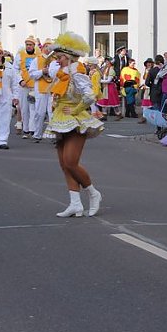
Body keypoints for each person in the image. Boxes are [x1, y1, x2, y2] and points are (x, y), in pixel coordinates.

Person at [44, 32, 104, 217]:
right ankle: (75, 203)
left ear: (68, 57)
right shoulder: (62, 73)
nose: (57, 60)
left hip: (75, 119)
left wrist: (77, 110)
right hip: (60, 117)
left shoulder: (77, 72)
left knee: (71, 162)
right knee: (63, 163)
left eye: (60, 57)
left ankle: (93, 193)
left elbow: (89, 95)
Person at [0, 40, 20, 149]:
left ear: (3, 54)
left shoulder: (9, 67)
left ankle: (2, 140)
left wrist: (16, 97)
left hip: (6, 95)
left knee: (5, 118)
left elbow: (15, 83)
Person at [29, 40, 57, 141]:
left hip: (53, 89)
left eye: (50, 47)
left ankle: (53, 135)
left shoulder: (55, 60)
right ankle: (37, 134)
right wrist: (42, 71)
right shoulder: (37, 59)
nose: (48, 49)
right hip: (40, 89)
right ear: (43, 47)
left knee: (52, 113)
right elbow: (31, 74)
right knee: (39, 113)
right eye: (46, 47)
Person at [14, 36, 39, 135]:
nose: (28, 46)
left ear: (34, 46)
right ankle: (26, 128)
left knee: (33, 107)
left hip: (34, 85)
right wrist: (20, 81)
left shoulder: (38, 56)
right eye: (27, 45)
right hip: (23, 85)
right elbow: (15, 70)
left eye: (30, 45)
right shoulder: (20, 55)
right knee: (24, 107)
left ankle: (32, 129)